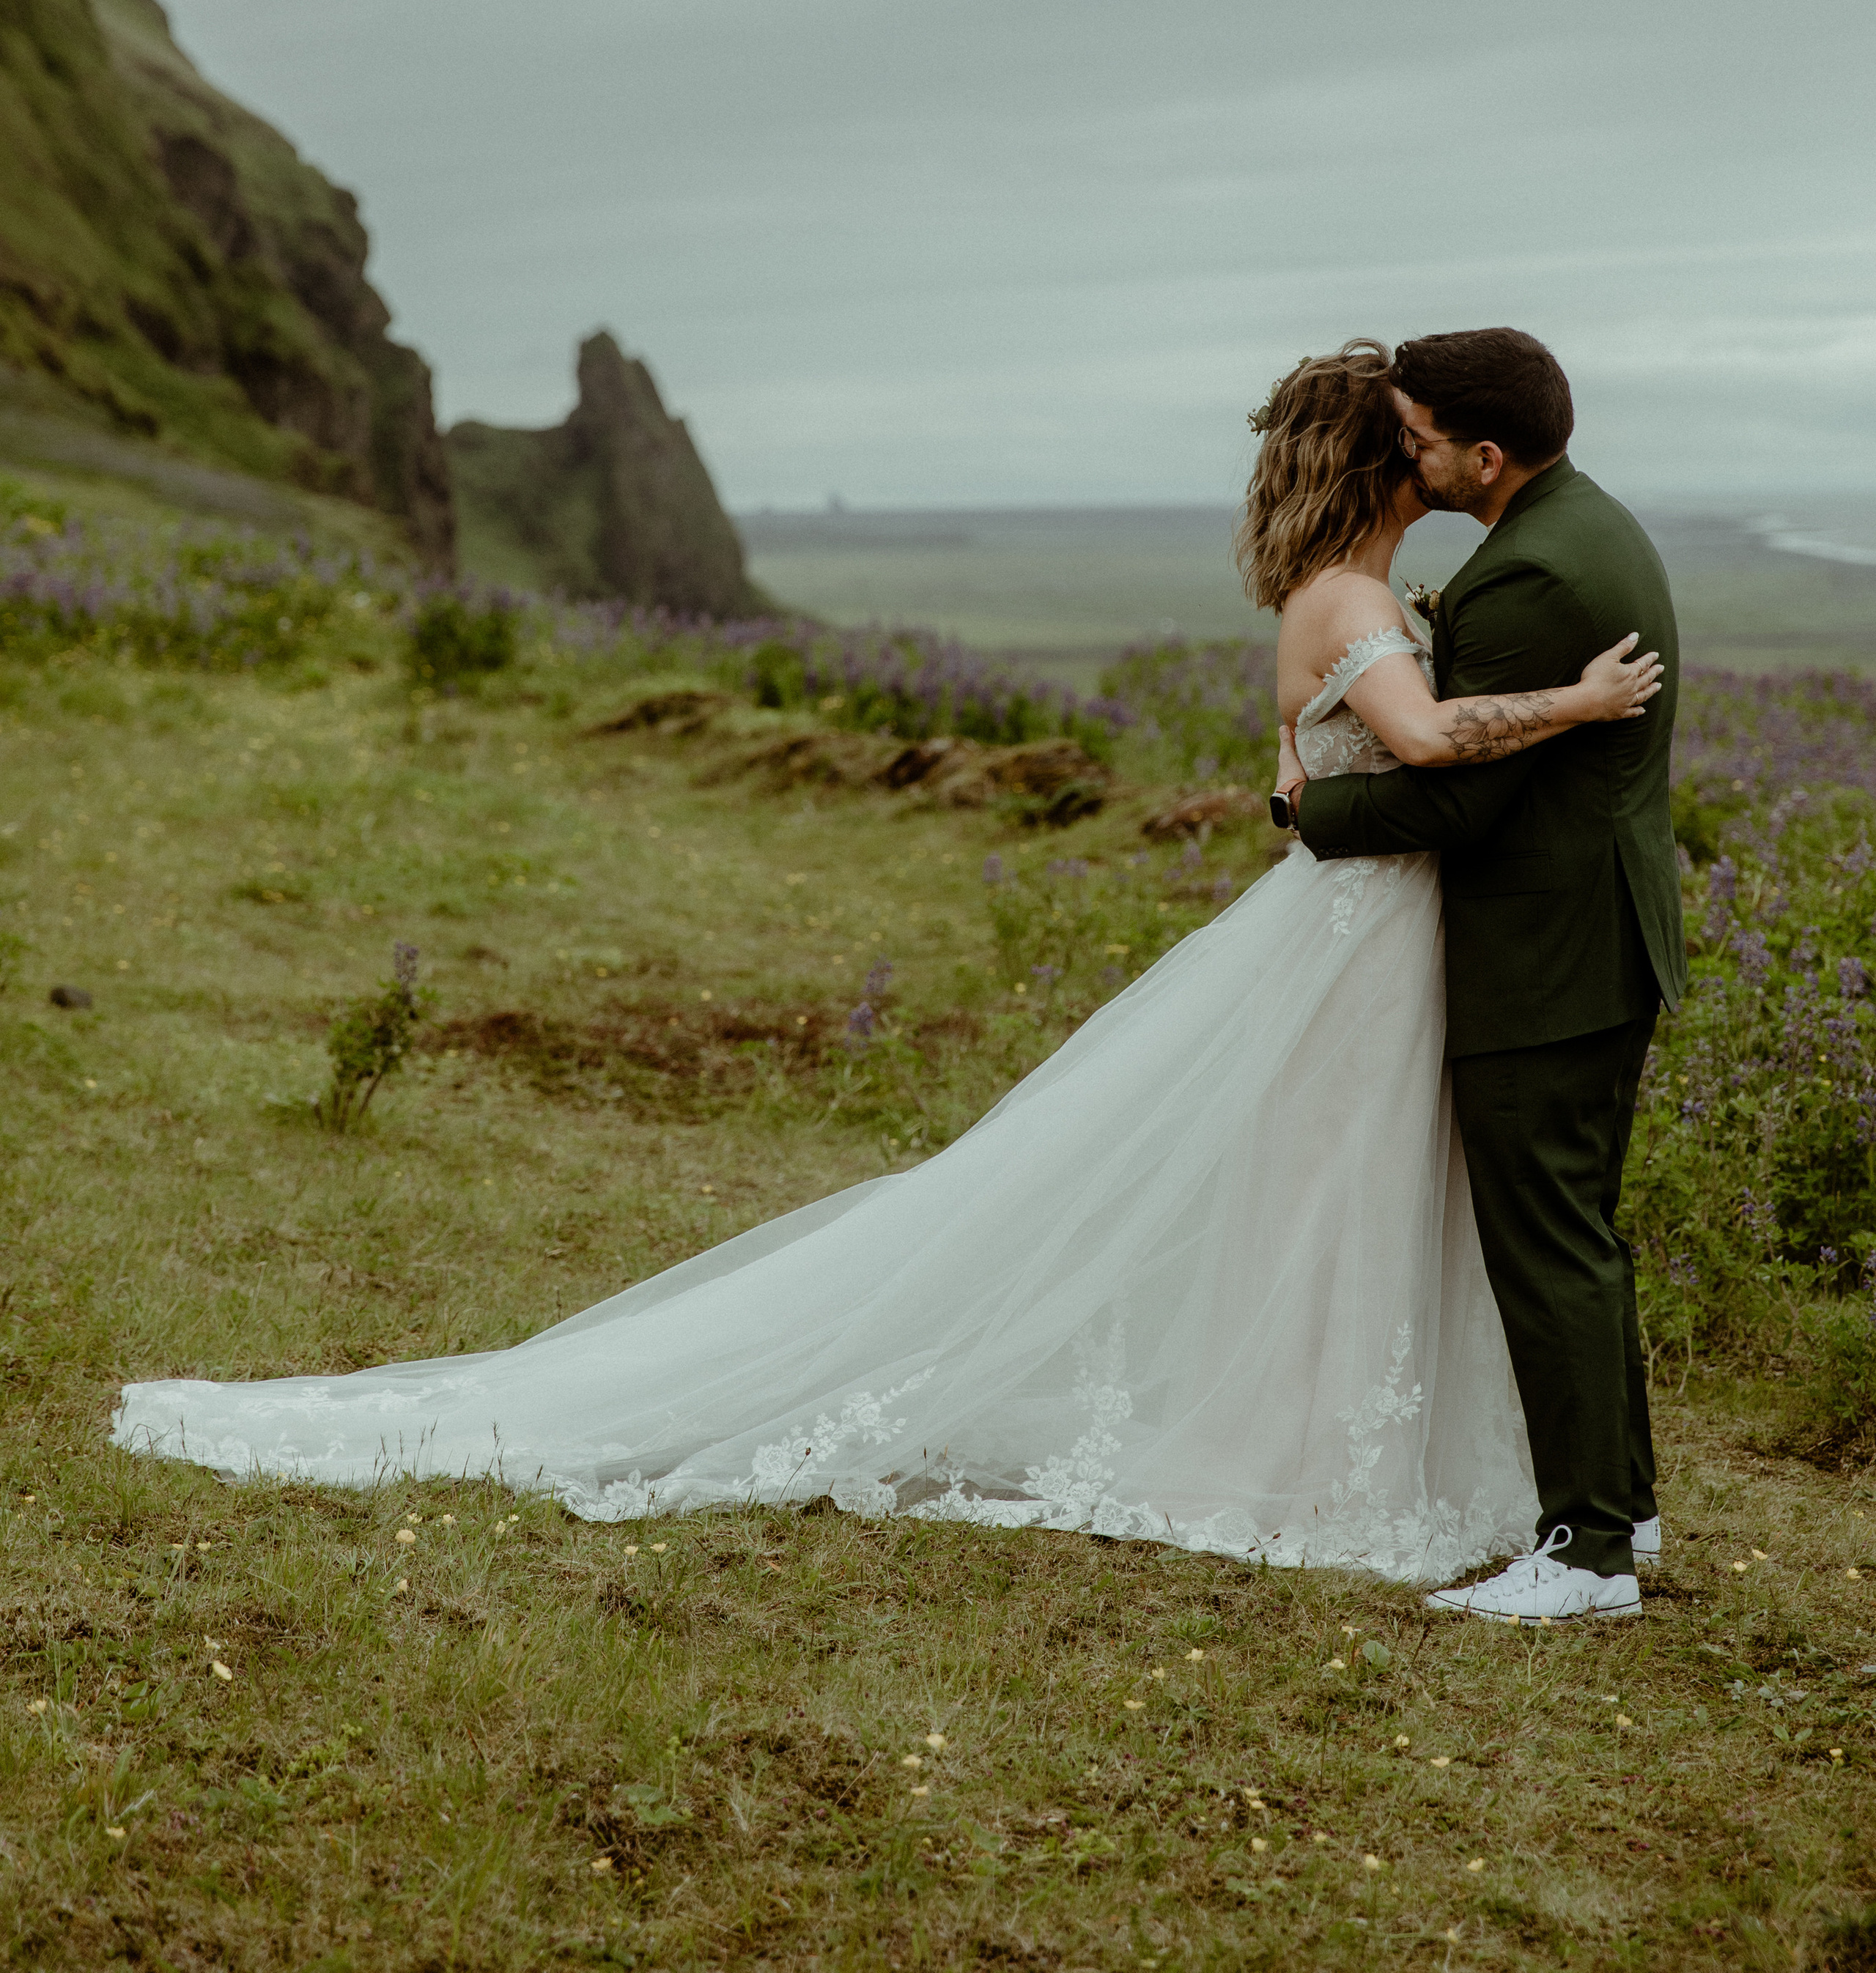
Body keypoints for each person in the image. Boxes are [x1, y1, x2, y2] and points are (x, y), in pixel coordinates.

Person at [113, 341, 1658, 1586]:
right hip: (1358, 944)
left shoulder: (1359, 593)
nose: (1426, 456)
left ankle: (1349, 1449)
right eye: (1409, 439)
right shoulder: (1353, 599)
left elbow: (1324, 770)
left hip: (1375, 936)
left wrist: (1313, 794)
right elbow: (1419, 743)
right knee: (1326, 1188)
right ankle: (1315, 1461)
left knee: (1340, 1190)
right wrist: (1578, 707)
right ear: (1391, 464)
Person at [1284, 326, 1685, 1624]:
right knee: (1583, 1231)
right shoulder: (1592, 523)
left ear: (1487, 455)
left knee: (1549, 1244)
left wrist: (1306, 811)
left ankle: (1587, 1557)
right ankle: (1625, 1506)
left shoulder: (1522, 578)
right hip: (1601, 936)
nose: (1410, 456)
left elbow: (1458, 805)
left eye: (1423, 439)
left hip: (1545, 952)